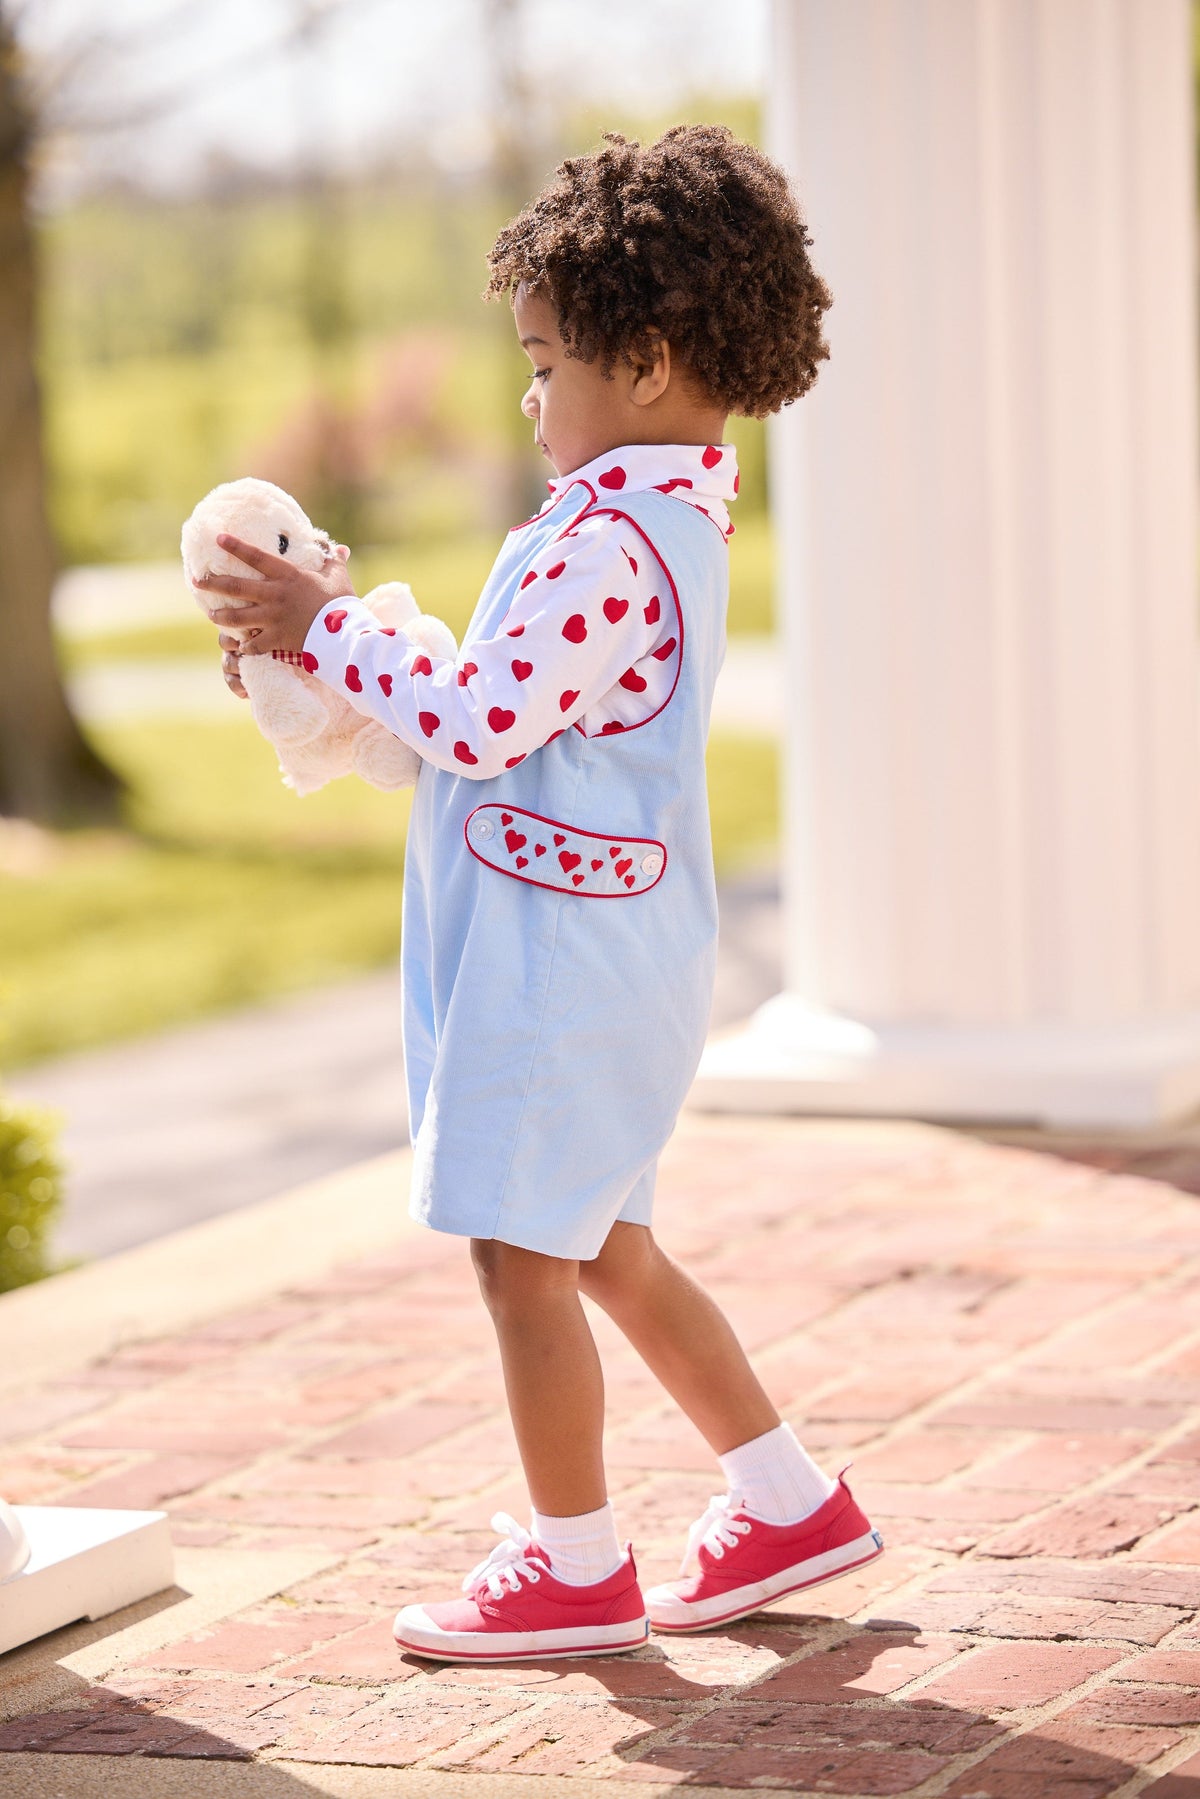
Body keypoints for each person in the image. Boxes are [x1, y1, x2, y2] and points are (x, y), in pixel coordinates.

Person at [203, 125, 883, 1665]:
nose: (528, 393)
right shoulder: (649, 521)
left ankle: (577, 1567)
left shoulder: (615, 540)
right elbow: (496, 712)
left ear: (642, 361)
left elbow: (485, 719)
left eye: (545, 358)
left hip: (566, 970)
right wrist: (335, 656)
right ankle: (786, 1500)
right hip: (597, 950)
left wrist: (329, 630)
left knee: (521, 1257)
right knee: (605, 1250)